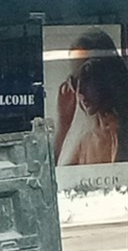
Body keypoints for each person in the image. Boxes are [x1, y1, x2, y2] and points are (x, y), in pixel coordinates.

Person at [54, 29, 128, 166]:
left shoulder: (119, 130)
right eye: (74, 81)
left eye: (87, 77)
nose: (79, 91)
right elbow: (51, 174)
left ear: (107, 74)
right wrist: (63, 124)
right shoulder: (88, 138)